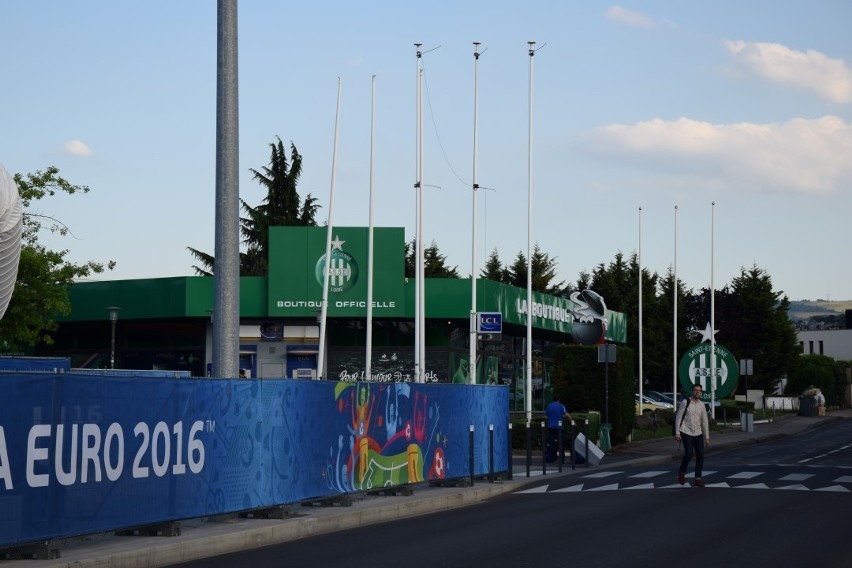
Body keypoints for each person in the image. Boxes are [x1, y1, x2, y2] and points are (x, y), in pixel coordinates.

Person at [675, 383, 710, 487]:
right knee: (689, 454)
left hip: (698, 433)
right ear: (692, 391)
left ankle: (698, 479)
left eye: (699, 390)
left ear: (701, 392)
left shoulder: (702, 405)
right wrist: (677, 432)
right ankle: (682, 472)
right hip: (686, 431)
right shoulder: (685, 402)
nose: (697, 392)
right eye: (695, 390)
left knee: (701, 455)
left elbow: (704, 421)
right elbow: (678, 418)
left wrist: (706, 437)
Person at [545, 395, 572, 463]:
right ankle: (562, 459)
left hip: (551, 427)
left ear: (553, 399)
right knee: (560, 443)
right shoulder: (561, 406)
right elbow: (566, 415)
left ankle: (551, 458)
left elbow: (546, 416)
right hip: (559, 428)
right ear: (559, 399)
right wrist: (571, 421)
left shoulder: (549, 406)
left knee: (551, 443)